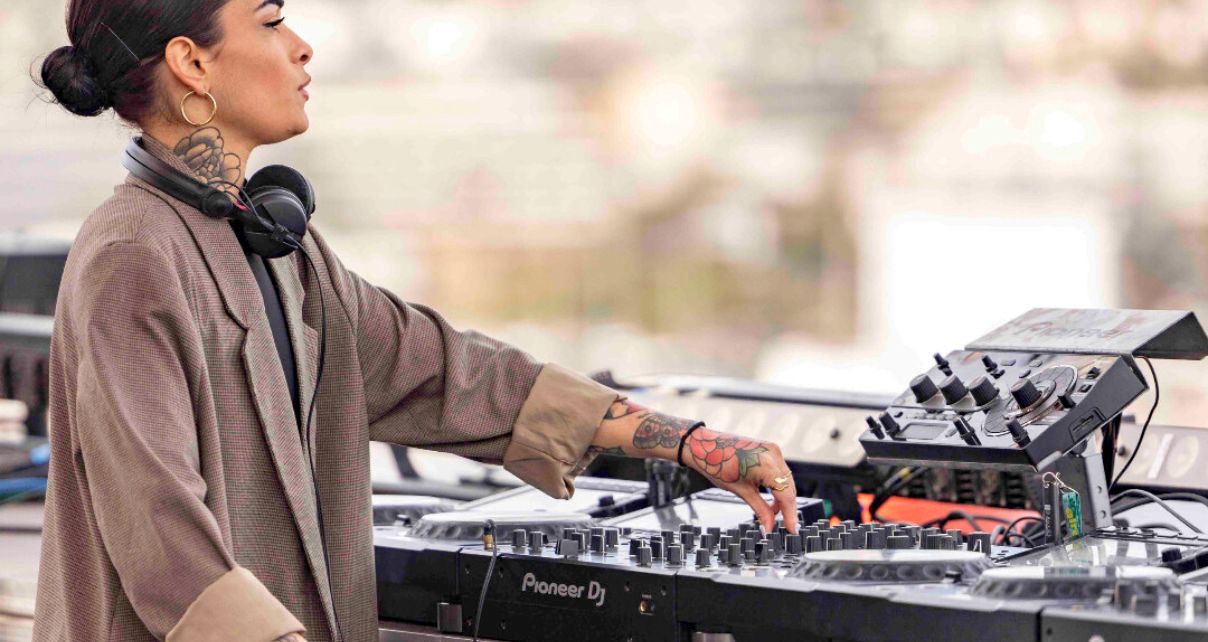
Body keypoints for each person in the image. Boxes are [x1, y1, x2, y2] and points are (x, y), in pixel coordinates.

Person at [32, 1, 802, 640]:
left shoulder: (271, 240)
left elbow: (441, 368)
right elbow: (160, 534)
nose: (302, 48)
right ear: (192, 64)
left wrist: (690, 443)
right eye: (270, 22)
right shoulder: (132, 257)